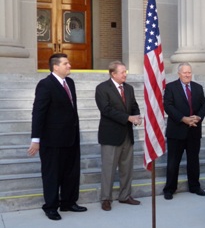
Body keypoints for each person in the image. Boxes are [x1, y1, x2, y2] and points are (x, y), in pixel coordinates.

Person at [27, 53, 87, 221]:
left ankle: (68, 202)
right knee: (52, 174)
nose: (69, 66)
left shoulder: (70, 83)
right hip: (52, 140)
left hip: (71, 137)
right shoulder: (45, 85)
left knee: (71, 173)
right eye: (66, 63)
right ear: (56, 66)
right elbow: (38, 113)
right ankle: (51, 207)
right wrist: (36, 139)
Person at [95, 61, 142, 211]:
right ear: (113, 74)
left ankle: (125, 195)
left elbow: (133, 104)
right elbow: (106, 110)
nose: (125, 74)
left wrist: (136, 116)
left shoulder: (129, 88)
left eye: (125, 71)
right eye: (122, 72)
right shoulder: (102, 88)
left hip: (127, 134)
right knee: (109, 169)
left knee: (127, 168)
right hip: (110, 135)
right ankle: (106, 198)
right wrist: (127, 118)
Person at [163, 63, 205, 200]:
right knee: (173, 161)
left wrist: (198, 117)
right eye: (185, 73)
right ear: (179, 74)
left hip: (194, 130)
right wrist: (183, 119)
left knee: (193, 160)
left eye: (189, 72)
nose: (187, 75)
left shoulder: (198, 88)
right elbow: (168, 106)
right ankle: (170, 189)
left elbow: (204, 105)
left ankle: (194, 186)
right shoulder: (171, 87)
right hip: (176, 131)